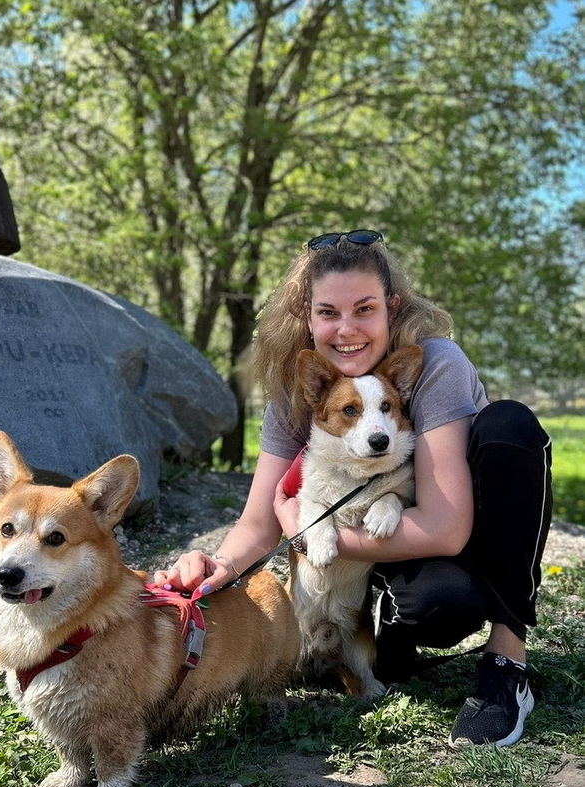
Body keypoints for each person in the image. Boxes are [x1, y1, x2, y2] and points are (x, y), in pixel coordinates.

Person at [154, 230, 552, 748]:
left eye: (364, 309)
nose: (346, 330)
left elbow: (446, 527)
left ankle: (506, 663)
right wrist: (217, 567)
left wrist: (315, 534)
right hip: (385, 549)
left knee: (509, 426)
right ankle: (379, 645)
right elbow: (260, 520)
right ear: (307, 316)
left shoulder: (435, 364)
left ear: (392, 307)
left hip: (461, 533)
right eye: (328, 313)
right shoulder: (298, 390)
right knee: (431, 602)